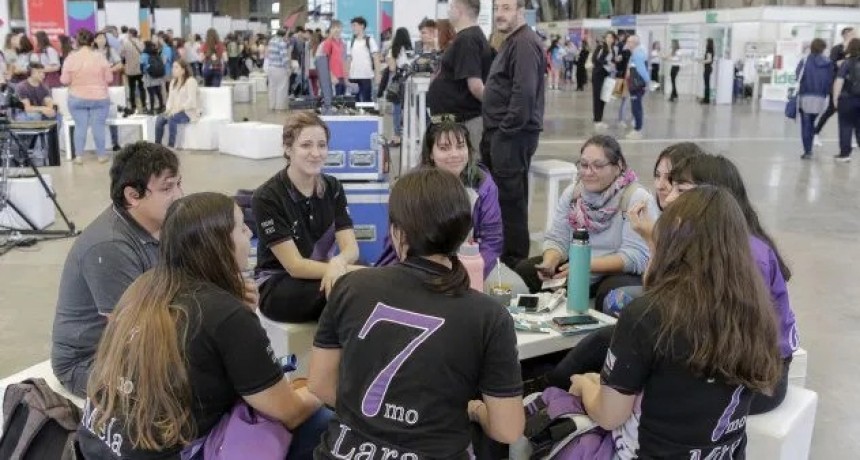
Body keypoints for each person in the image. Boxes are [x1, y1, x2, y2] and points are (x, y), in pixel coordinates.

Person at [78, 192, 329, 459]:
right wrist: (322, 387)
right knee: (322, 420)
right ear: (218, 243)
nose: (249, 234)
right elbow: (289, 413)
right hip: (167, 452)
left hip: (97, 444)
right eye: (241, 226)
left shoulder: (145, 286)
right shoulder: (225, 315)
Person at [308, 168, 525, 457]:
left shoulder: (350, 286)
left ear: (398, 233)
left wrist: (372, 414)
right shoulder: (489, 316)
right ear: (462, 232)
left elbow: (320, 385)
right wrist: (474, 410)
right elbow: (508, 429)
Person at [568, 187, 783, 458]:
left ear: (673, 239)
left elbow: (610, 416)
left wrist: (586, 387)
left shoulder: (649, 315)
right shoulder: (756, 314)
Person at [625, 152, 798, 414]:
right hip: (716, 354)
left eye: (681, 190)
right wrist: (653, 242)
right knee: (618, 338)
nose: (669, 197)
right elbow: (655, 296)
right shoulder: (694, 235)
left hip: (755, 377)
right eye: (671, 188)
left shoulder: (749, 255)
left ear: (714, 198)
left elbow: (738, 343)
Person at [51, 142, 182, 397]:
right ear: (132, 195)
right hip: (89, 361)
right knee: (178, 393)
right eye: (167, 188)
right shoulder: (109, 246)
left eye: (178, 184)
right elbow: (134, 334)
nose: (179, 195)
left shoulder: (161, 222)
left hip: (131, 343)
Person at [514, 135, 656, 309]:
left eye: (598, 166)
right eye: (584, 165)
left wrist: (583, 265)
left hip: (612, 271)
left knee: (611, 294)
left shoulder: (635, 197)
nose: (588, 172)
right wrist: (550, 261)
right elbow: (558, 237)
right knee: (525, 270)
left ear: (618, 166)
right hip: (578, 264)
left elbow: (635, 257)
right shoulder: (574, 193)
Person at [251, 112, 360, 323]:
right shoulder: (268, 197)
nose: (316, 153)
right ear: (288, 148)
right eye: (306, 145)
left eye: (322, 145)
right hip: (280, 282)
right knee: (353, 291)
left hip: (325, 270)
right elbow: (295, 265)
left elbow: (351, 248)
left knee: (359, 287)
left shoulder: (333, 188)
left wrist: (339, 262)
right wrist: (355, 272)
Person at [377, 119, 502, 277]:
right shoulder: (411, 187)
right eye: (444, 148)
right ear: (430, 153)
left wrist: (469, 274)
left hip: (469, 267)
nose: (454, 154)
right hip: (415, 267)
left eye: (460, 146)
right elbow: (400, 243)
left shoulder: (484, 185)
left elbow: (492, 239)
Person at [482, 0, 546, 269]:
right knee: (501, 197)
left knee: (511, 201)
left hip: (511, 136)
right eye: (498, 8)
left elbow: (525, 93)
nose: (500, 14)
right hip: (501, 133)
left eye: (507, 8)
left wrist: (505, 131)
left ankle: (515, 262)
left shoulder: (524, 43)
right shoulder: (511, 41)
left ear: (521, 10)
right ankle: (502, 256)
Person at [428, 0, 493, 152]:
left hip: (466, 123)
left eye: (451, 7)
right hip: (457, 123)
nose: (449, 12)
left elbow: (476, 85)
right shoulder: (466, 37)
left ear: (459, 10)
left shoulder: (468, 40)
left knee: (466, 169)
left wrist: (494, 107)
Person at [61, 29, 113, 164]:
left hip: (77, 97)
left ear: (77, 42)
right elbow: (109, 78)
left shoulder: (70, 58)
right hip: (100, 98)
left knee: (80, 126)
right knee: (98, 126)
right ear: (92, 42)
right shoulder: (100, 57)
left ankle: (78, 156)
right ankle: (101, 156)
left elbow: (64, 81)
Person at [814, 27, 855, 145]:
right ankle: (816, 132)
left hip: (851, 86)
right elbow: (831, 64)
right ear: (846, 35)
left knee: (852, 112)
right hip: (837, 84)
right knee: (831, 110)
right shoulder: (837, 49)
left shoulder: (855, 49)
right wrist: (841, 62)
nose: (855, 35)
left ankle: (852, 138)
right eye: (853, 33)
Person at [797, 38, 834, 160]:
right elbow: (830, 81)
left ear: (811, 47)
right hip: (820, 98)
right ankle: (810, 148)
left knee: (806, 124)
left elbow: (798, 76)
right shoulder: (829, 63)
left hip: (806, 95)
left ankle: (808, 151)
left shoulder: (805, 60)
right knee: (812, 122)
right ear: (823, 48)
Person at [155, 59, 199, 149]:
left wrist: (177, 109)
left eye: (176, 67)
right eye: (173, 67)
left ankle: (171, 146)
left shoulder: (191, 81)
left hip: (188, 112)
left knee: (172, 119)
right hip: (174, 111)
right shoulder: (173, 82)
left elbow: (191, 101)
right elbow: (170, 99)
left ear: (183, 70)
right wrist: (168, 110)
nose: (173, 69)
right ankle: (157, 146)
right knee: (159, 119)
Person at [832, 38, 860, 162]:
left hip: (847, 99)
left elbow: (839, 81)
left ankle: (845, 155)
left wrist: (835, 98)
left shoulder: (847, 63)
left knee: (845, 126)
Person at [386, 28, 411, 146]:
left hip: (398, 82)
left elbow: (391, 68)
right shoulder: (411, 50)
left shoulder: (393, 50)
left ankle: (397, 137)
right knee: (410, 108)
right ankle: (409, 135)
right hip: (410, 81)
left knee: (397, 109)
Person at [347, 17, 380, 103]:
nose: (353, 28)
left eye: (355, 25)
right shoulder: (350, 42)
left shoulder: (370, 40)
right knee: (354, 103)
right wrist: (346, 76)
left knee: (366, 102)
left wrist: (377, 75)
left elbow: (376, 58)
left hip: (366, 76)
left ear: (362, 26)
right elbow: (348, 60)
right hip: (353, 77)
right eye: (352, 26)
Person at [625, 35, 649, 140]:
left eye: (629, 42)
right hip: (634, 84)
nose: (627, 43)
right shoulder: (636, 53)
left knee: (636, 107)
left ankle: (638, 130)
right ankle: (637, 127)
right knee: (635, 106)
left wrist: (648, 82)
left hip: (637, 85)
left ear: (635, 43)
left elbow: (642, 70)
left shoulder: (638, 54)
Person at [591, 33, 617, 129]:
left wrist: (615, 61)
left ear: (614, 39)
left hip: (607, 75)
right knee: (597, 98)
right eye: (608, 37)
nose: (609, 39)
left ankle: (600, 119)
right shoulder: (601, 47)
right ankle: (597, 120)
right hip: (598, 75)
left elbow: (612, 61)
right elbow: (594, 59)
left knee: (604, 97)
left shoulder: (613, 49)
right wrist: (607, 62)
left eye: (611, 37)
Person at [121, 28, 146, 113]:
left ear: (131, 34)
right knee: (142, 88)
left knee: (132, 88)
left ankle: (133, 106)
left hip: (130, 70)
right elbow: (143, 53)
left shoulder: (126, 44)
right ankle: (144, 105)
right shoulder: (141, 43)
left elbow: (122, 54)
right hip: (140, 69)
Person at [319, 21, 346, 96]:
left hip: (342, 77)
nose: (336, 30)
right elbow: (324, 61)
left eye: (338, 27)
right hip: (333, 77)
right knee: (333, 102)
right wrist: (331, 76)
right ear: (330, 30)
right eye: (334, 28)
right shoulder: (328, 42)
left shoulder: (342, 43)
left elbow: (343, 60)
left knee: (341, 102)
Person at [265, 29, 290, 110]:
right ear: (284, 35)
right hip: (280, 68)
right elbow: (284, 58)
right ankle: (279, 107)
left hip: (271, 67)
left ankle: (272, 106)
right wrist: (288, 68)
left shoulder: (271, 41)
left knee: (272, 87)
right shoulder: (281, 43)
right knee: (281, 88)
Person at [140, 40, 165, 114]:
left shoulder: (144, 55)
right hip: (158, 76)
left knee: (151, 93)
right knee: (158, 92)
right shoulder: (155, 52)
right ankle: (161, 107)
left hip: (149, 76)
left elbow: (141, 66)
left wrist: (142, 73)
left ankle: (151, 109)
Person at [701, 37, 714, 104]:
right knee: (706, 84)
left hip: (707, 68)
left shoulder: (709, 50)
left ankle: (706, 100)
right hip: (708, 68)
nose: (705, 43)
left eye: (706, 42)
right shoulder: (711, 50)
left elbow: (709, 60)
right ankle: (706, 98)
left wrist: (702, 61)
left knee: (706, 85)